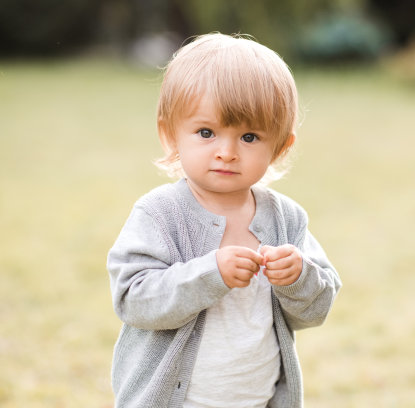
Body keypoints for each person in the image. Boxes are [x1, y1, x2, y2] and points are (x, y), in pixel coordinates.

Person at [107, 32, 341, 408]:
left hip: (257, 398)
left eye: (249, 137)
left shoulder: (286, 219)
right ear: (170, 135)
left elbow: (317, 309)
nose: (227, 152)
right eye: (206, 133)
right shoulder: (161, 214)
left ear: (280, 146)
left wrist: (298, 278)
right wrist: (210, 273)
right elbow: (134, 300)